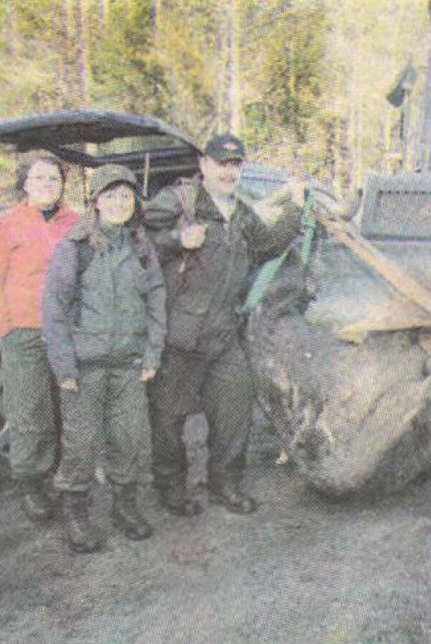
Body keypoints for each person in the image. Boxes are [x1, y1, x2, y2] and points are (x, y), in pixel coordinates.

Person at [143, 134, 304, 516]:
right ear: (204, 166)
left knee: (235, 410)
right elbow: (139, 239)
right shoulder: (178, 201)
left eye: (235, 165)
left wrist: (296, 209)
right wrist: (177, 239)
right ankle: (170, 489)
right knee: (168, 419)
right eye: (221, 164)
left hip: (223, 334)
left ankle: (225, 484)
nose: (229, 172)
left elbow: (270, 244)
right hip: (178, 336)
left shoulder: (242, 214)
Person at [41, 164, 165, 553]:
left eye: (125, 196)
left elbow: (157, 304)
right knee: (80, 443)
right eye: (110, 196)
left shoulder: (142, 247)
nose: (118, 203)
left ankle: (123, 507)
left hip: (128, 366)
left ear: (134, 203)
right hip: (84, 367)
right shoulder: (74, 247)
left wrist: (152, 353)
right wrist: (63, 367)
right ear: (95, 202)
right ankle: (75, 513)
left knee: (131, 441)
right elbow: (54, 311)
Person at [0, 151, 79, 522]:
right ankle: (31, 483)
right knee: (29, 409)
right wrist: (4, 326)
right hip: (24, 331)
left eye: (54, 179)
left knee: (67, 406)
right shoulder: (6, 225)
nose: (47, 185)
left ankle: (62, 477)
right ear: (24, 184)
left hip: (67, 332)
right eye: (39, 179)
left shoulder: (77, 223)